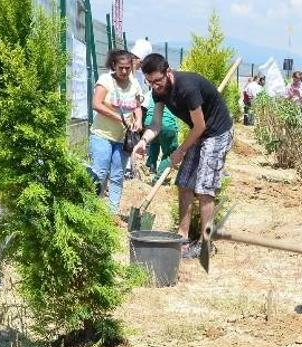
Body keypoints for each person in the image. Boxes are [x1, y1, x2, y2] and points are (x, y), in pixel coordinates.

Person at [135, 54, 234, 259]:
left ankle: (206, 244)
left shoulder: (187, 88)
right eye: (149, 82)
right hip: (199, 133)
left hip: (217, 133)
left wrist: (180, 151)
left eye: (157, 81)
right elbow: (155, 125)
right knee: (184, 183)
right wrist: (144, 141)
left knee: (204, 188)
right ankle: (183, 237)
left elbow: (200, 126)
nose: (154, 86)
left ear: (168, 73)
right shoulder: (158, 92)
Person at [89, 49, 143, 217]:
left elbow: (137, 106)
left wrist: (139, 120)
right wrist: (119, 118)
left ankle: (112, 214)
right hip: (102, 135)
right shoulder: (105, 80)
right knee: (100, 173)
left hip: (122, 139)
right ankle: (92, 211)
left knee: (118, 175)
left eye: (128, 68)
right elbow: (96, 104)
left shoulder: (134, 83)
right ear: (114, 65)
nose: (125, 71)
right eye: (121, 68)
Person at [124, 39, 154, 180]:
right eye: (142, 63)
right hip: (120, 113)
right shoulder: (125, 71)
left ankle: (129, 169)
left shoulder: (137, 75)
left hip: (132, 113)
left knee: (130, 140)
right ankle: (126, 169)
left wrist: (138, 118)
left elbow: (137, 98)